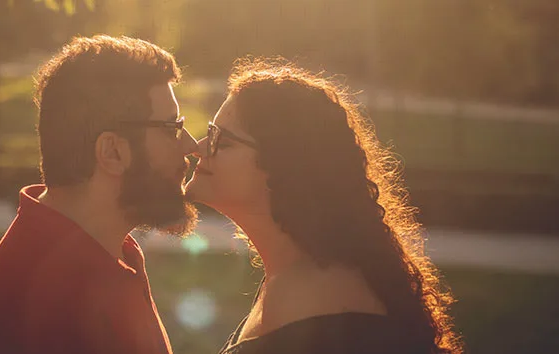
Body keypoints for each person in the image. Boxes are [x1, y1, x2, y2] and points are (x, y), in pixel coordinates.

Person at [185, 58, 462, 354]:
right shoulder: (298, 276)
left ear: (284, 166)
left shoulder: (314, 301)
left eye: (222, 141)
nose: (198, 147)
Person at [0, 35, 200, 354]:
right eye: (171, 128)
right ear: (112, 152)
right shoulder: (48, 307)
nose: (191, 145)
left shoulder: (112, 253)